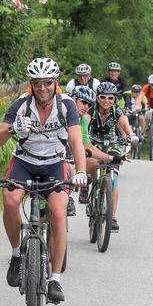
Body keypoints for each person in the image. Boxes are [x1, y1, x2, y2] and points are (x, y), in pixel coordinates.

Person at [0, 58, 88, 304]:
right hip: (25, 161)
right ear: (31, 85)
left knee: (57, 212)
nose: (42, 88)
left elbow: (76, 142)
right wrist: (12, 130)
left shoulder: (66, 106)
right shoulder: (21, 105)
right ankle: (16, 256)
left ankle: (55, 279)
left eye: (47, 83)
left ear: (55, 83)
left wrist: (81, 170)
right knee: (10, 202)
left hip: (55, 162)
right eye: (37, 84)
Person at [87, 81, 136, 230]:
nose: (106, 101)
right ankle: (89, 185)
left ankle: (112, 216)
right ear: (97, 98)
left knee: (113, 178)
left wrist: (131, 135)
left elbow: (126, 125)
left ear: (114, 99)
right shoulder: (91, 110)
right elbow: (84, 123)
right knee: (91, 162)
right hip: (93, 143)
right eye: (102, 97)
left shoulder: (117, 111)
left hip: (112, 145)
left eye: (110, 98)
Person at [66, 85, 95, 217]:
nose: (86, 107)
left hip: (67, 151)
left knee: (71, 170)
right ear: (73, 99)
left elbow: (85, 143)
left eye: (89, 104)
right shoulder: (58, 110)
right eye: (83, 102)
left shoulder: (82, 119)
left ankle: (67, 197)